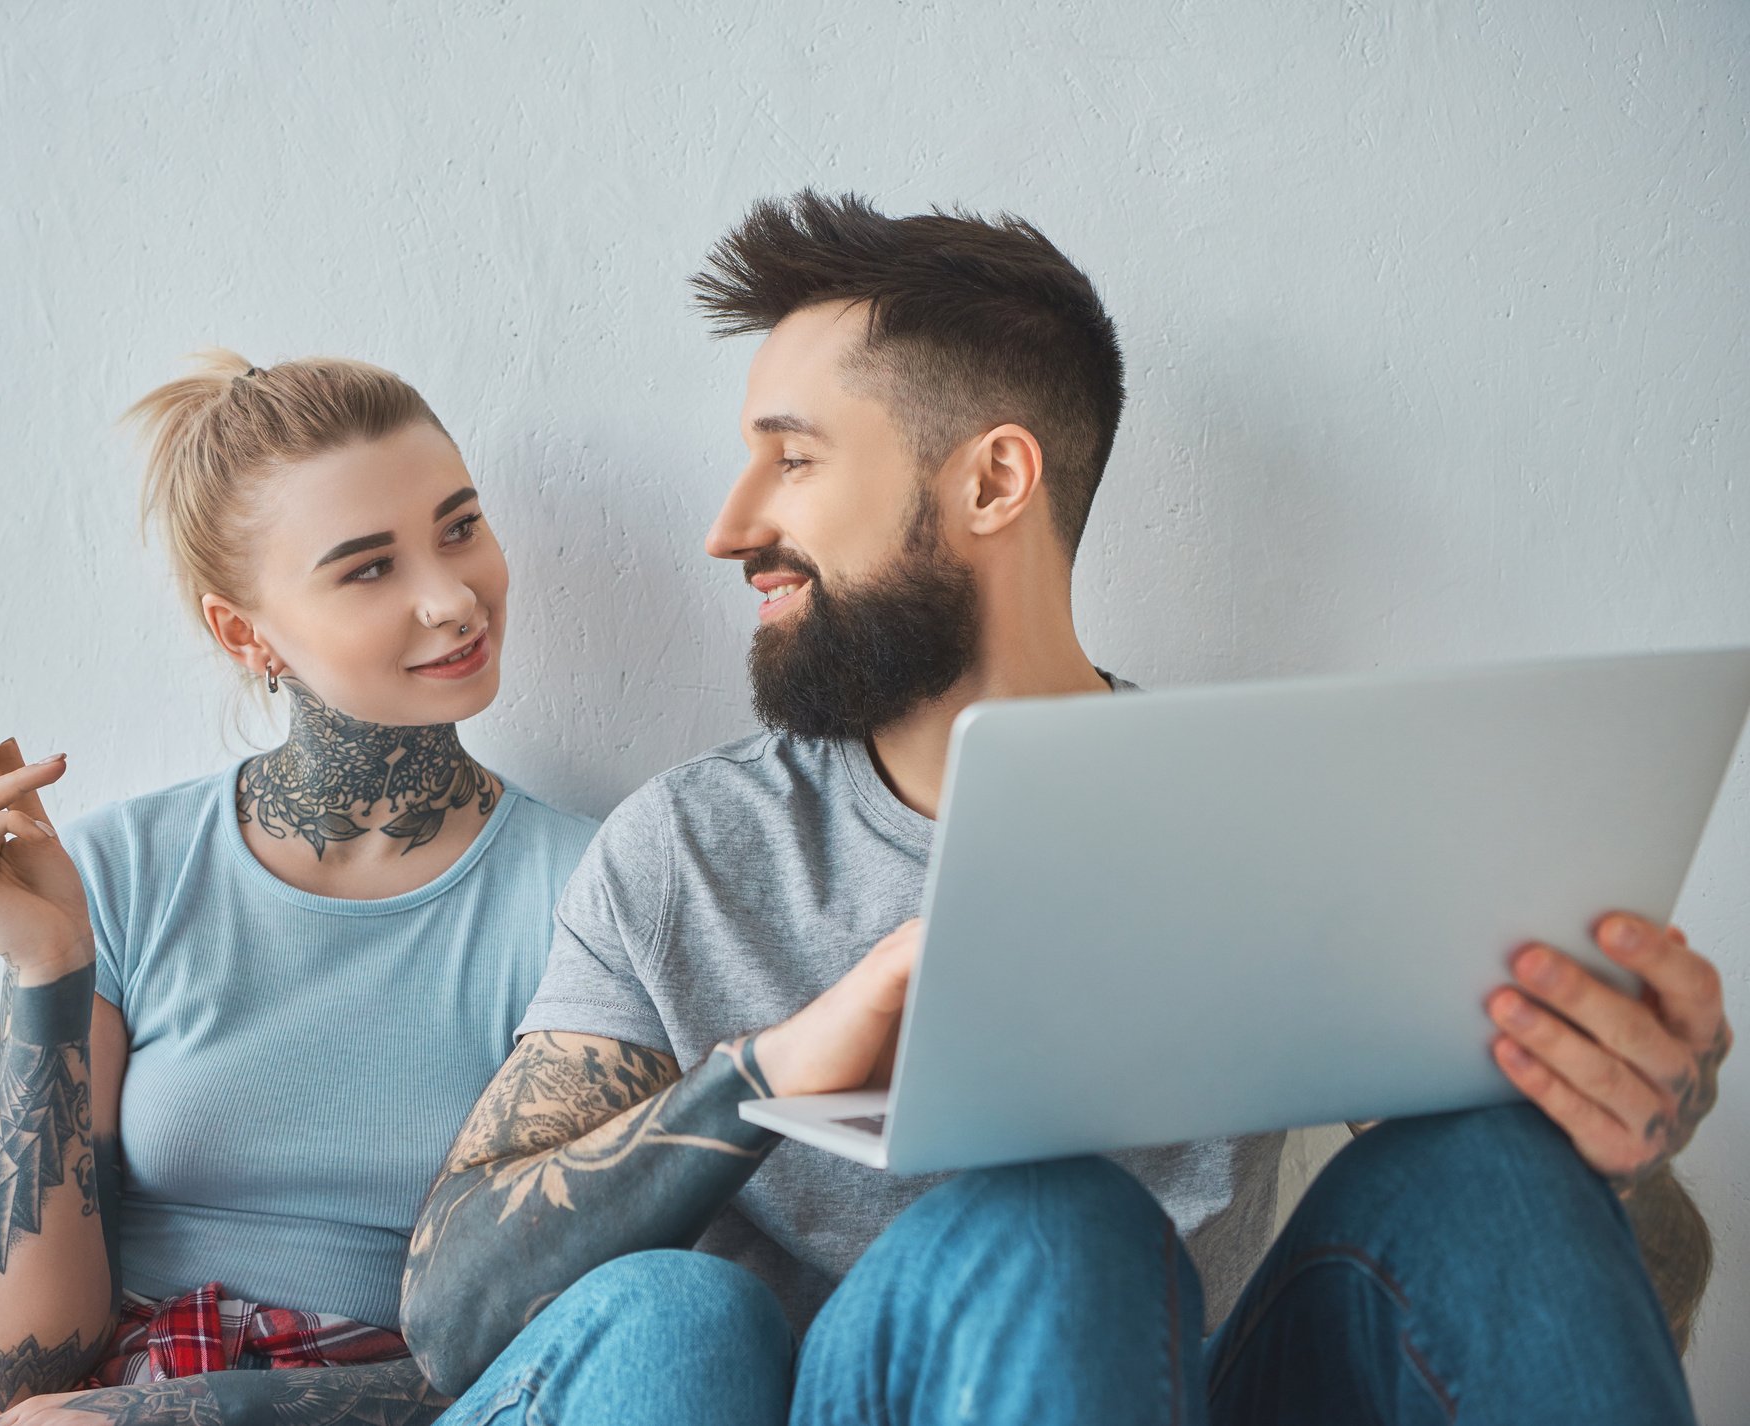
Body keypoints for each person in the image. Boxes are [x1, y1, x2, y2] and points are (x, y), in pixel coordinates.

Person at [398, 192, 1728, 1425]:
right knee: (1031, 1218)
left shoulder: (1279, 827)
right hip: (812, 1392)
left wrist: (1605, 1145)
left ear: (992, 481)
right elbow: (453, 1317)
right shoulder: (690, 849)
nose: (729, 526)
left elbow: (1598, 1287)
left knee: (1490, 1170)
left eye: (789, 462)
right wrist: (770, 1071)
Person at [0, 352, 594, 1425]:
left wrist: (197, 1418)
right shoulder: (122, 872)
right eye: (370, 568)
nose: (454, 598)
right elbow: (19, 1369)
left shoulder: (585, 893)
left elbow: (561, 1341)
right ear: (245, 632)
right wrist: (46, 968)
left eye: (460, 528)